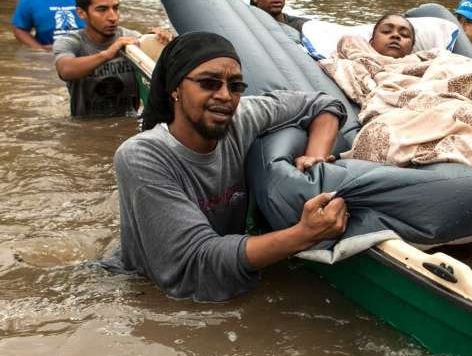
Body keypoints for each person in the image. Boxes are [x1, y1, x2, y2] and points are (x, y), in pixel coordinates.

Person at [110, 32, 349, 302]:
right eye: (209, 83)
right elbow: (196, 261)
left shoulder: (241, 118)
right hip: (145, 289)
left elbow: (324, 103)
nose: (225, 96)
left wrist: (316, 155)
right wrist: (303, 235)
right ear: (175, 88)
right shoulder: (142, 156)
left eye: (235, 86)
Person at [52, 0, 172, 117]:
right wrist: (107, 54)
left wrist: (164, 45)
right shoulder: (70, 42)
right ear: (81, 13)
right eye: (102, 10)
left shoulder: (133, 39)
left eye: (115, 8)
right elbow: (65, 70)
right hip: (85, 125)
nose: (113, 17)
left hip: (129, 121)